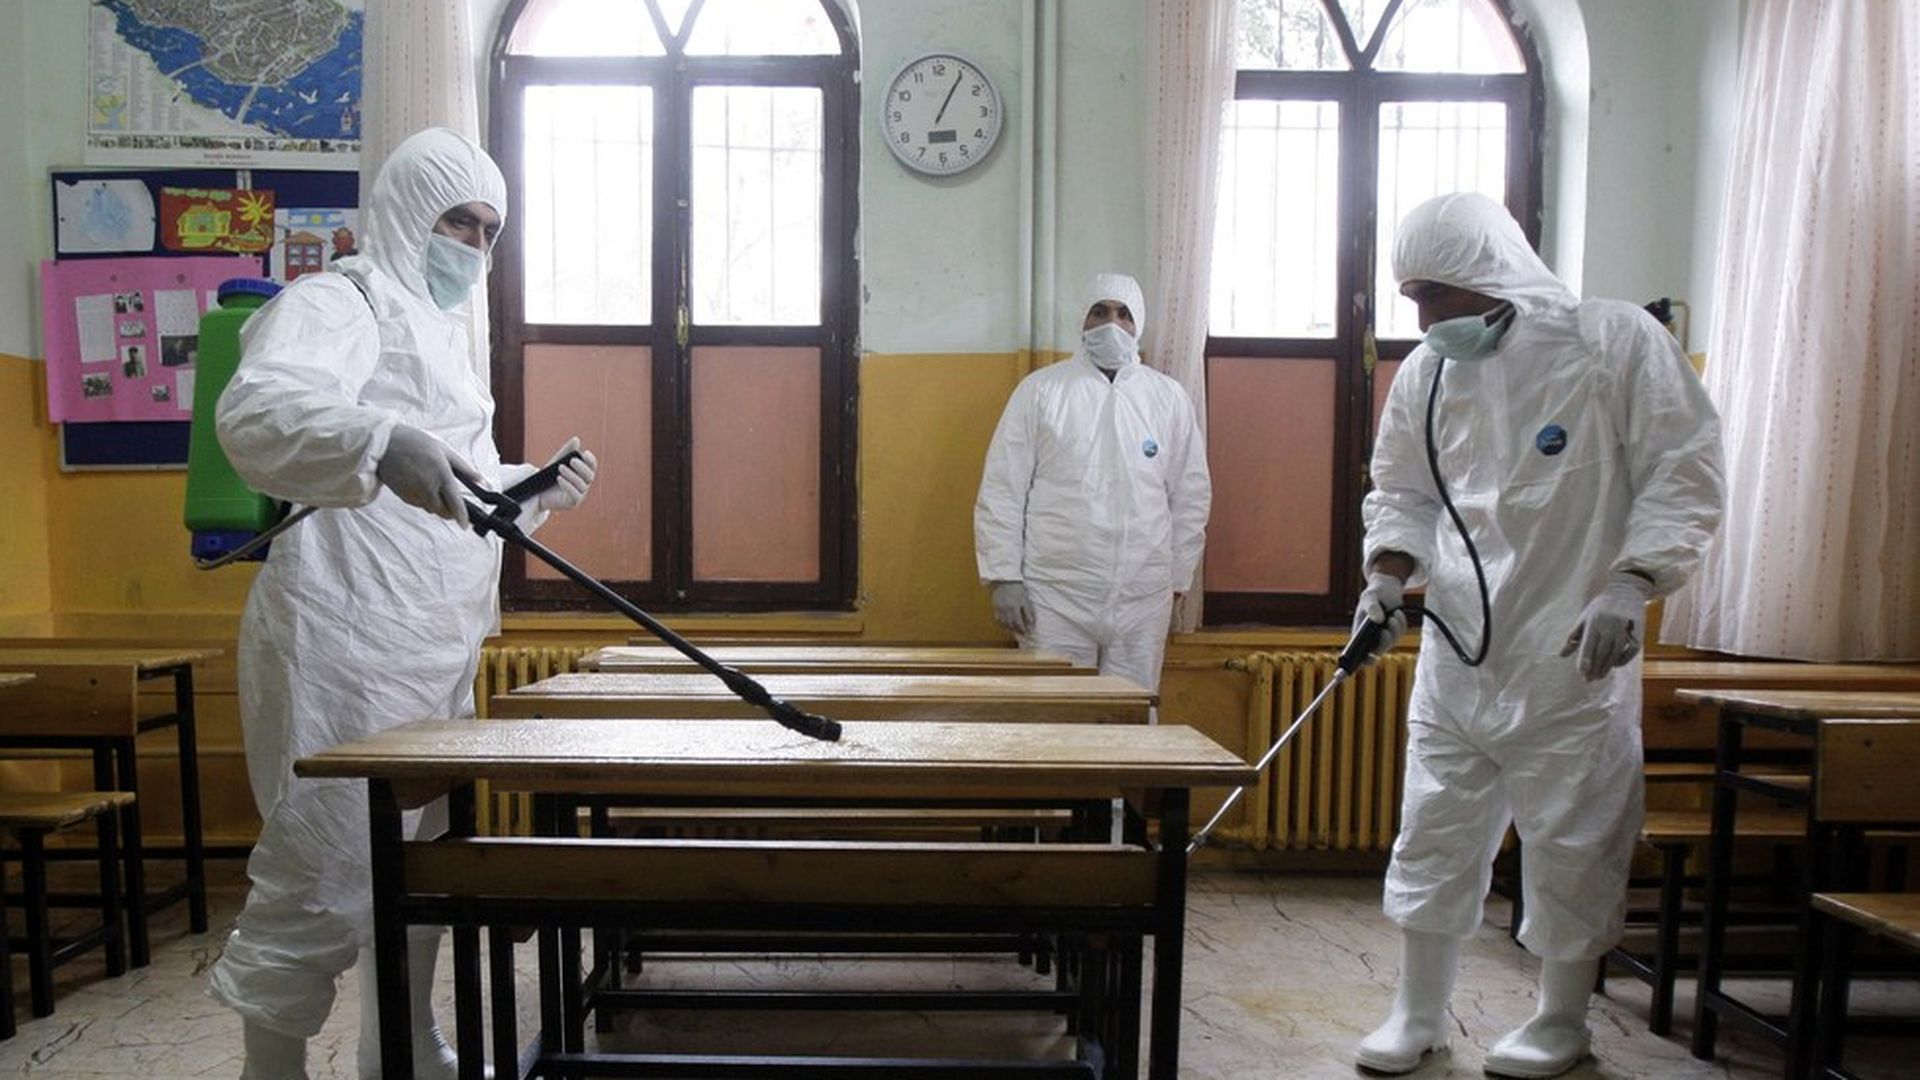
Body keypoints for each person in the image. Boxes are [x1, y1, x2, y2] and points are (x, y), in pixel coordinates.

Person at [208, 127, 598, 1080]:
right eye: (456, 221)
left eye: (488, 231)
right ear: (404, 212)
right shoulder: (340, 302)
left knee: (415, 860)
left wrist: (531, 486)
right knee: (319, 864)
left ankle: (402, 1045)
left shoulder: (445, 339)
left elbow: (455, 484)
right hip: (340, 640)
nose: (472, 245)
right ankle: (271, 1067)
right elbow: (255, 414)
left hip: (431, 643)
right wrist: (380, 441)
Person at [1350, 192, 1723, 1078]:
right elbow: (1401, 489)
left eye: (1435, 294)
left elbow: (1684, 468)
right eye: (1412, 299)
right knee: (1434, 827)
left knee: (1574, 835)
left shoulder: (1613, 342)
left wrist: (1633, 582)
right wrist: (1384, 578)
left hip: (1571, 648)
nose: (1425, 320)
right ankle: (1418, 1011)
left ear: (1489, 271)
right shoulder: (1429, 375)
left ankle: (1561, 1019)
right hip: (1460, 647)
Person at [974, 272, 1211, 692]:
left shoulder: (1168, 398)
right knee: (1056, 716)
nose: (1111, 324)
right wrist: (1003, 577)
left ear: (1139, 324)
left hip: (1143, 596)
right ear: (1081, 319)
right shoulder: (1041, 391)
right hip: (1054, 596)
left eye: (1124, 314)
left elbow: (1190, 496)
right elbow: (1003, 488)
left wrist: (1177, 578)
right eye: (1099, 312)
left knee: (1130, 715)